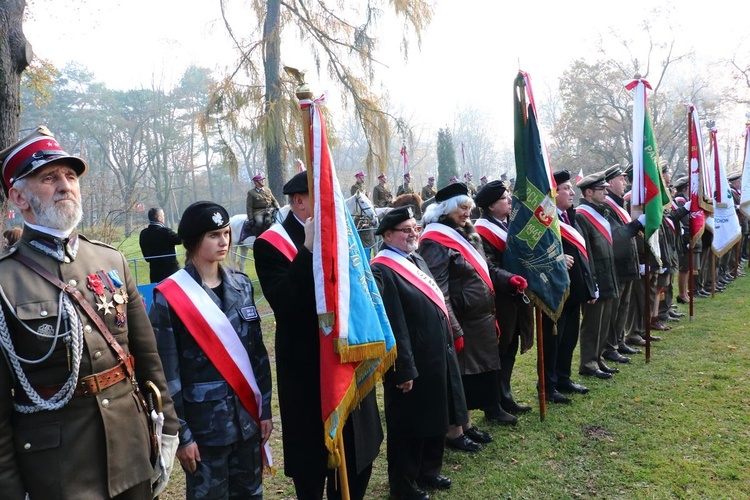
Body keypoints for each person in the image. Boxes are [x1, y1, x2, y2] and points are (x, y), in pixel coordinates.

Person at [0, 126, 179, 499]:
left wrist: (168, 428)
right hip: (57, 470)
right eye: (49, 178)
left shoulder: (109, 260)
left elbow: (146, 357)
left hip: (129, 449)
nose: (66, 185)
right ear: (19, 196)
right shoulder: (5, 281)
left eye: (70, 176)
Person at [253, 172, 382, 499]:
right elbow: (284, 302)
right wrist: (308, 249)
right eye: (322, 197)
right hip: (308, 368)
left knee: (357, 455)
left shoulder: (340, 235)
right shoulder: (271, 243)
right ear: (299, 201)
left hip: (347, 358)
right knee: (313, 464)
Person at [150, 201, 273, 499]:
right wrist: (183, 436)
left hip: (246, 421)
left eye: (226, 233)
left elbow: (257, 355)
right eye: (214, 235)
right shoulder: (170, 297)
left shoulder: (242, 286)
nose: (224, 241)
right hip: (205, 430)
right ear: (193, 241)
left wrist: (264, 410)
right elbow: (167, 375)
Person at [371, 206, 460, 500]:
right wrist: (402, 368)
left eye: (415, 228)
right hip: (411, 360)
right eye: (405, 230)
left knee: (435, 415)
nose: (413, 234)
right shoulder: (382, 269)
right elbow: (394, 322)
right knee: (409, 424)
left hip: (436, 353)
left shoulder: (416, 257)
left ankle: (429, 471)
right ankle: (403, 484)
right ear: (387, 235)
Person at [419, 183, 505, 452]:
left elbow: (484, 268)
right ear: (445, 208)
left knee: (467, 377)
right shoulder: (435, 240)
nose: (467, 212)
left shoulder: (467, 232)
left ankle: (465, 425)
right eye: (461, 207)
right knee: (456, 378)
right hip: (459, 320)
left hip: (476, 317)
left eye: (469, 207)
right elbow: (438, 290)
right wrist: (454, 329)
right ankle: (453, 432)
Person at [473, 180, 533, 420]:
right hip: (499, 300)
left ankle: (505, 395)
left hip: (516, 297)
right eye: (503, 199)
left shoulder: (510, 225)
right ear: (490, 207)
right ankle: (492, 405)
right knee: (498, 351)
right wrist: (511, 279)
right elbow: (487, 266)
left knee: (510, 348)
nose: (509, 201)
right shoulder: (480, 232)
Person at [542, 170, 597, 401]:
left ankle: (564, 378)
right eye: (565, 188)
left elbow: (583, 254)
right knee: (553, 340)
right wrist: (556, 259)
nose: (571, 192)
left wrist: (589, 286)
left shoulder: (569, 216)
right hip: (554, 291)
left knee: (569, 338)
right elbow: (532, 253)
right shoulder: (543, 220)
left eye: (569, 188)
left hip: (574, 290)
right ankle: (548, 384)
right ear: (553, 193)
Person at [601, 164, 644, 362]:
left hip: (628, 262)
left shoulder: (618, 204)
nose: (625, 183)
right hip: (618, 263)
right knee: (616, 307)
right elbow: (617, 235)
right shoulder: (608, 207)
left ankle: (619, 341)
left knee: (624, 305)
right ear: (611, 183)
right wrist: (638, 224)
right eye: (621, 179)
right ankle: (610, 346)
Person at [139, 206, 182, 283]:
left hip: (154, 274)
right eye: (163, 216)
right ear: (159, 218)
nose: (164, 218)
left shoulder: (143, 234)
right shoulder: (165, 232)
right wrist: (181, 226)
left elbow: (147, 257)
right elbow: (181, 239)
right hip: (171, 273)